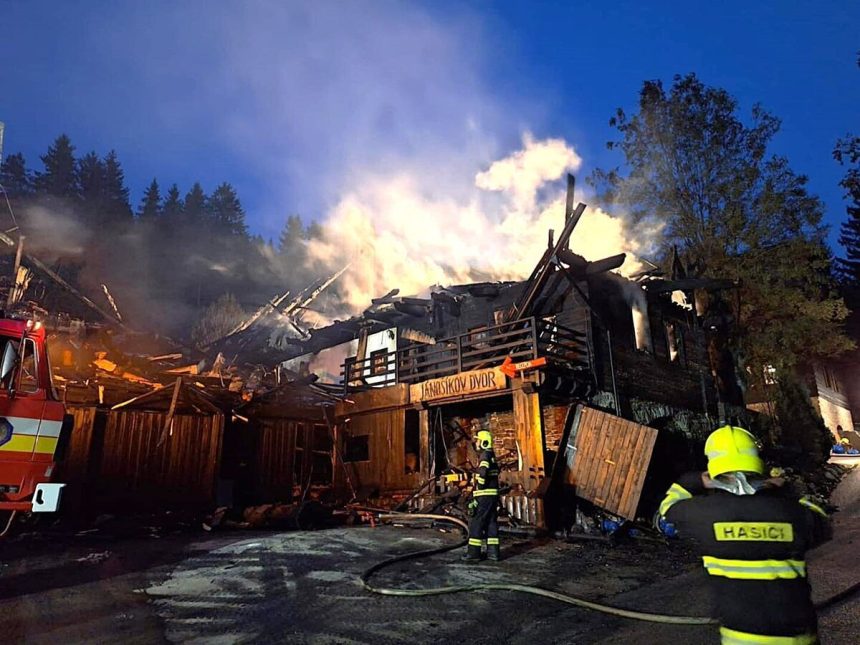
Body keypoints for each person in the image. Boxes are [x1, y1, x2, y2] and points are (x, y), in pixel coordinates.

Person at [657, 425, 830, 645]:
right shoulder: (793, 513)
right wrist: (781, 490)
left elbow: (668, 508)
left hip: (741, 639)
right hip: (800, 638)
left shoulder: (703, 515)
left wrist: (697, 479)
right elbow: (821, 521)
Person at [462, 429, 501, 562]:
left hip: (484, 495)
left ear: (484, 442)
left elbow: (483, 472)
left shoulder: (484, 456)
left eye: (478, 440)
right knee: (491, 523)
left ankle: (473, 554)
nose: (476, 443)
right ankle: (493, 553)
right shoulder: (492, 455)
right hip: (493, 495)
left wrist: (479, 486)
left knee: (476, 523)